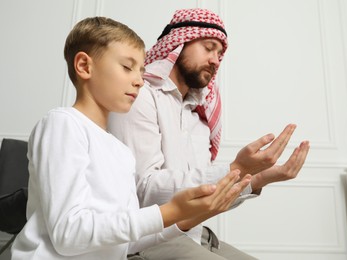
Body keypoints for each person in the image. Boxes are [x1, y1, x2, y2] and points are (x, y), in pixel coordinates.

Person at [10, 16, 252, 260]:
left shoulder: (121, 151)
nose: (138, 81)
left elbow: (125, 244)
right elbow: (68, 234)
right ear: (84, 66)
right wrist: (169, 211)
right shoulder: (63, 124)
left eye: (141, 70)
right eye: (127, 67)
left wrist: (184, 218)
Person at [108, 8, 310, 260]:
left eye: (220, 53)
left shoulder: (201, 119)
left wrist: (256, 179)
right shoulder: (140, 97)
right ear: (179, 42)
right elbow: (145, 190)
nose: (216, 60)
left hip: (197, 235)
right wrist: (233, 168)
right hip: (150, 238)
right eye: (208, 47)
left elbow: (206, 198)